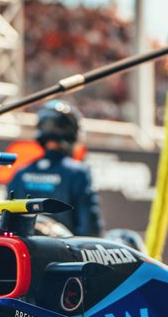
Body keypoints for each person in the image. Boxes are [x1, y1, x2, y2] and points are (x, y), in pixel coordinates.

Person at [7, 101, 102, 237]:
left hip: (23, 254)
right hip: (62, 255)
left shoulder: (20, 173)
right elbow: (90, 230)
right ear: (72, 133)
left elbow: (7, 224)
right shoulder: (78, 172)